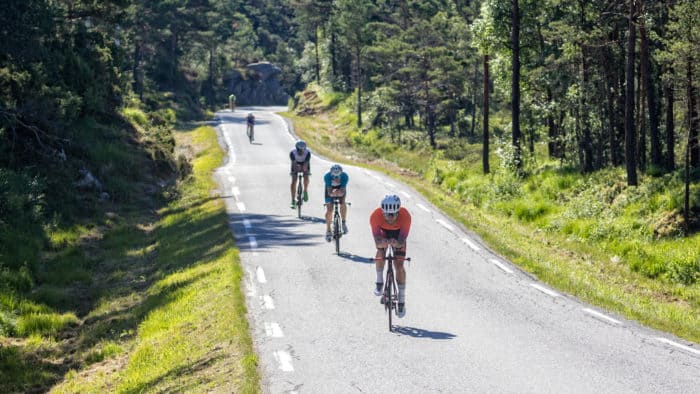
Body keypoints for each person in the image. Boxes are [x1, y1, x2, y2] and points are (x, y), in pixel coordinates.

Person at [369, 194, 412, 317]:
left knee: (399, 265)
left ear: (398, 212)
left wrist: (397, 243)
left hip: (398, 235)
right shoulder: (375, 216)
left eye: (393, 215)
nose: (390, 218)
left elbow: (402, 240)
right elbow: (377, 241)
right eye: (387, 214)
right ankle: (379, 282)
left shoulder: (405, 216)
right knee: (381, 250)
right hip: (383, 233)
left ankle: (402, 300)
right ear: (382, 212)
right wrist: (382, 242)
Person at [323, 164, 349, 242]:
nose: (336, 178)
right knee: (330, 210)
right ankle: (328, 230)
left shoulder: (345, 176)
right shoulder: (327, 176)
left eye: (338, 176)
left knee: (342, 203)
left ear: (341, 173)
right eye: (334, 176)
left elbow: (342, 190)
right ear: (331, 174)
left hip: (340, 187)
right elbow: (329, 191)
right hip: (330, 188)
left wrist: (339, 193)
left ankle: (343, 222)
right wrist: (332, 194)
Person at [290, 140, 311, 208]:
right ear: (296, 149)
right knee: (294, 180)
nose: (300, 152)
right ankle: (293, 200)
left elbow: (305, 164)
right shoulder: (292, 153)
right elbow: (294, 163)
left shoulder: (308, 153)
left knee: (306, 175)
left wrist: (305, 171)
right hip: (296, 163)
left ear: (304, 149)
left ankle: (305, 191)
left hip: (304, 163)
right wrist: (295, 171)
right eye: (299, 150)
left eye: (302, 151)